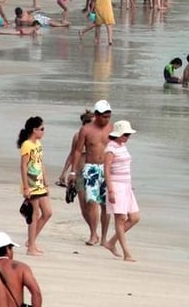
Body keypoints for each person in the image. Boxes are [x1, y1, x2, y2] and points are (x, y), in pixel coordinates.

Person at [67, 100, 114, 245]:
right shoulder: (86, 130)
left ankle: (104, 237)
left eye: (109, 116)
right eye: (104, 116)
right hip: (91, 168)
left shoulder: (112, 129)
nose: (107, 119)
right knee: (92, 202)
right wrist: (73, 172)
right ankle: (93, 234)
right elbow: (77, 151)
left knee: (105, 205)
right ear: (97, 115)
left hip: (106, 168)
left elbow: (117, 149)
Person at [103, 120, 140, 261]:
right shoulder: (110, 149)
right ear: (118, 134)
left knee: (135, 217)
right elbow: (106, 170)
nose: (127, 137)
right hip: (116, 186)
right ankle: (127, 253)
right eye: (125, 134)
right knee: (120, 219)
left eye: (128, 134)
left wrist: (129, 184)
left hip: (126, 186)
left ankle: (111, 242)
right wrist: (111, 190)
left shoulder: (122, 145)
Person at [17, 116, 52, 256]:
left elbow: (41, 163)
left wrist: (46, 182)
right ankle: (31, 247)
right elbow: (23, 166)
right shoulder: (27, 145)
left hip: (39, 183)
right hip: (31, 183)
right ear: (34, 130)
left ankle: (31, 241)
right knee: (34, 213)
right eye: (42, 129)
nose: (43, 132)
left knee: (48, 212)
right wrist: (26, 187)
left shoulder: (38, 144)